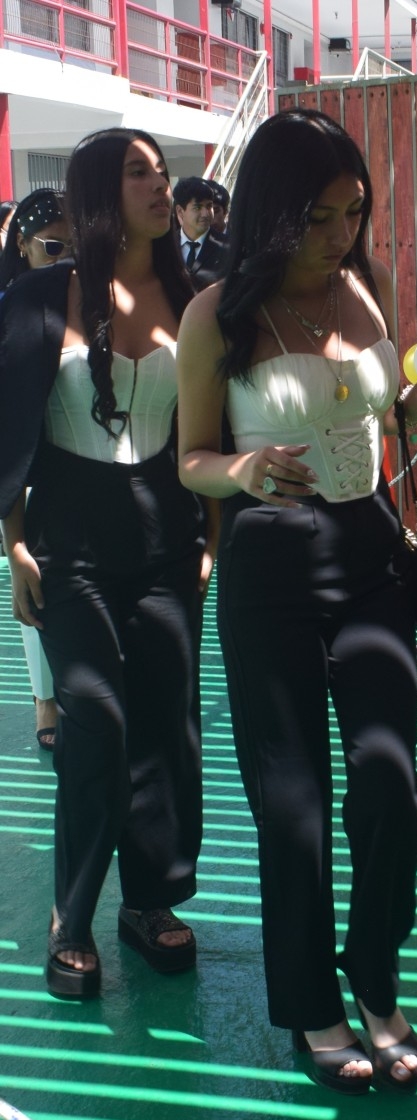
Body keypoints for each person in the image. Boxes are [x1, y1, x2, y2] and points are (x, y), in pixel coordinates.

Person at [177, 107, 417, 1095]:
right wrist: (242, 469)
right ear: (273, 211)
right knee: (293, 806)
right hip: (268, 562)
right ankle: (312, 1004)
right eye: (318, 216)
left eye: (354, 211)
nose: (341, 232)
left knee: (392, 789)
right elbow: (190, 459)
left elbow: (379, 408)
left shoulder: (365, 285)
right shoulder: (216, 314)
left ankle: (374, 972)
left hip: (369, 548)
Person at [0, 128, 209, 1000]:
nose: (161, 185)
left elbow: (218, 421)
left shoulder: (196, 297)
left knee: (167, 719)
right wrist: (14, 544)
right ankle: (74, 913)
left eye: (162, 171)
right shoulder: (38, 296)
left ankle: (150, 900)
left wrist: (212, 538)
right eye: (138, 173)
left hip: (169, 541)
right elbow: (6, 423)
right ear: (98, 191)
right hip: (69, 543)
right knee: (96, 719)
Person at [0, 188, 70, 751]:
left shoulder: (90, 300)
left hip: (74, 459)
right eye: (52, 247)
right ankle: (44, 697)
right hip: (23, 458)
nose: (64, 258)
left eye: (74, 247)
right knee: (29, 576)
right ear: (21, 246)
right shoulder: (12, 303)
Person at [173, 176, 228, 289]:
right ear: (180, 211)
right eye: (197, 207)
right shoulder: (166, 246)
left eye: (209, 206)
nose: (205, 214)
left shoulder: (228, 247)